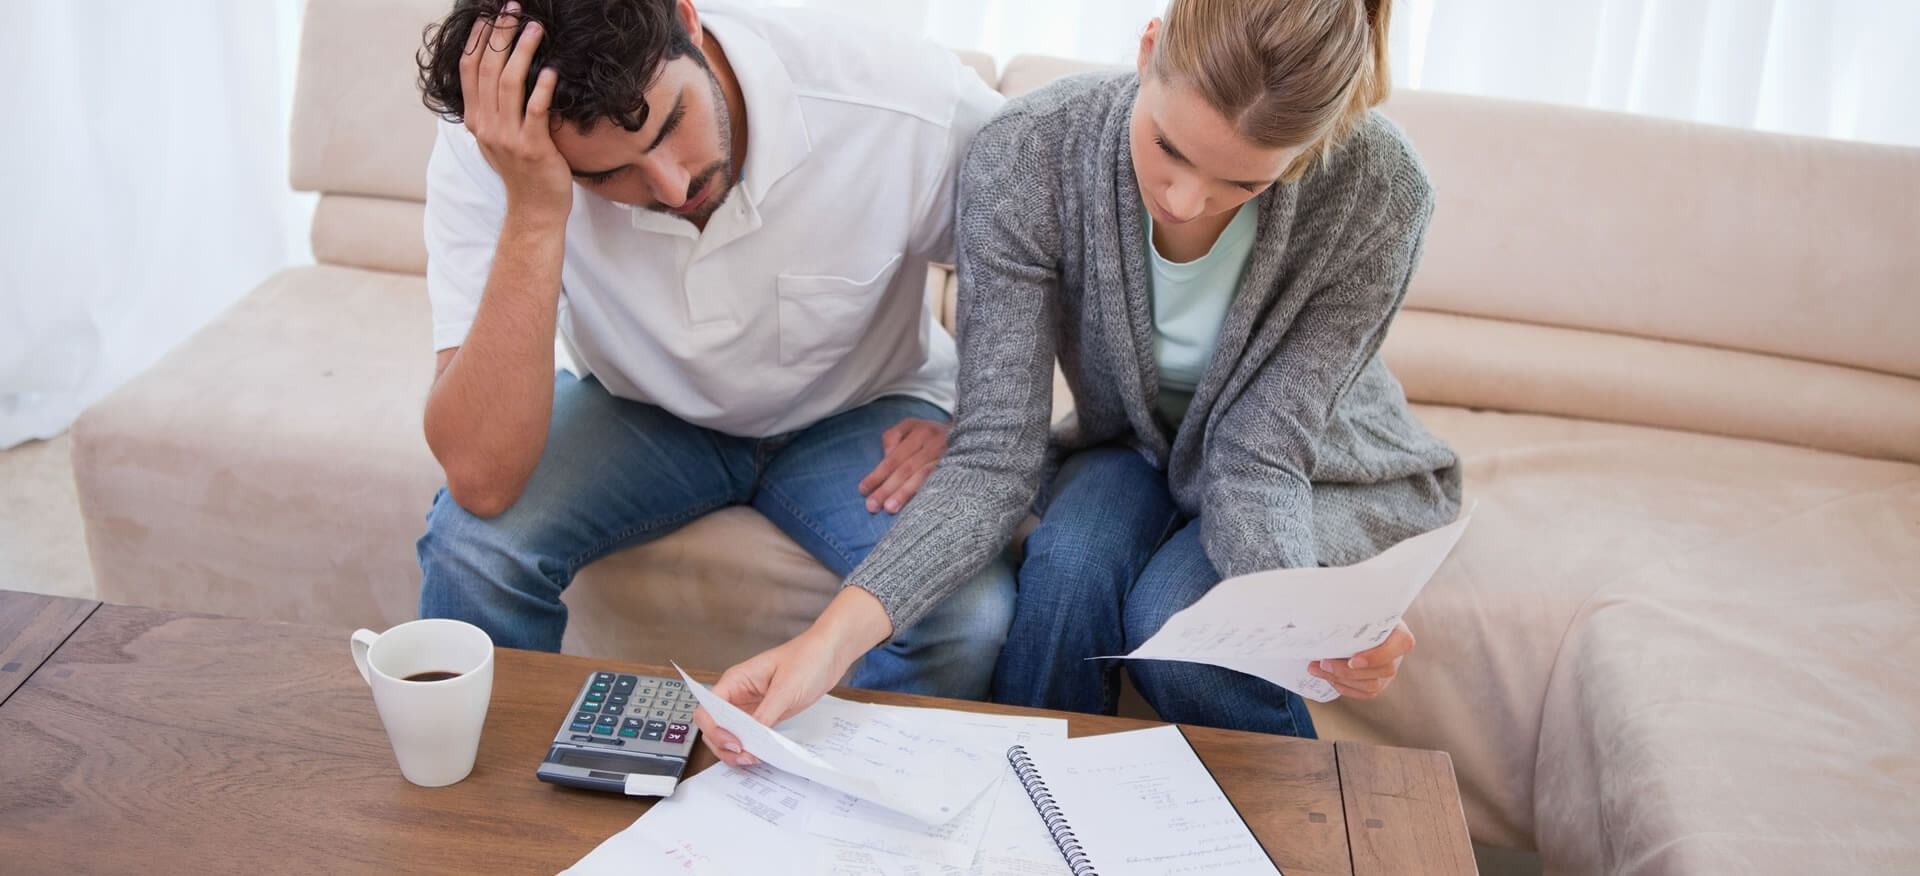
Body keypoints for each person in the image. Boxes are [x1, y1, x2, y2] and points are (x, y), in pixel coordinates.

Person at [698, 0, 1460, 763]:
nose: (1186, 200)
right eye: (1169, 147)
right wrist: (826, 647)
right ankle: (1032, 824)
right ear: (1148, 47)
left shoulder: (1381, 191)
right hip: (1131, 446)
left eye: (1244, 184)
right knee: (1066, 572)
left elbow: (1258, 457)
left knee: (1178, 636)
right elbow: (995, 455)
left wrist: (1308, 623)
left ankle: (1312, 845)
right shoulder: (1027, 154)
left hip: (1313, 470)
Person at [409, 0, 1014, 699]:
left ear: (689, 21)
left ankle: (851, 802)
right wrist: (537, 213)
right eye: (606, 176)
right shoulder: (497, 145)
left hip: (863, 411)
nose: (673, 186)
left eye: (671, 124)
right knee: (471, 551)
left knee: (964, 614)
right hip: (643, 411)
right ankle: (499, 808)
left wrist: (981, 426)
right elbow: (481, 477)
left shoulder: (903, 98)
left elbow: (1061, 253)